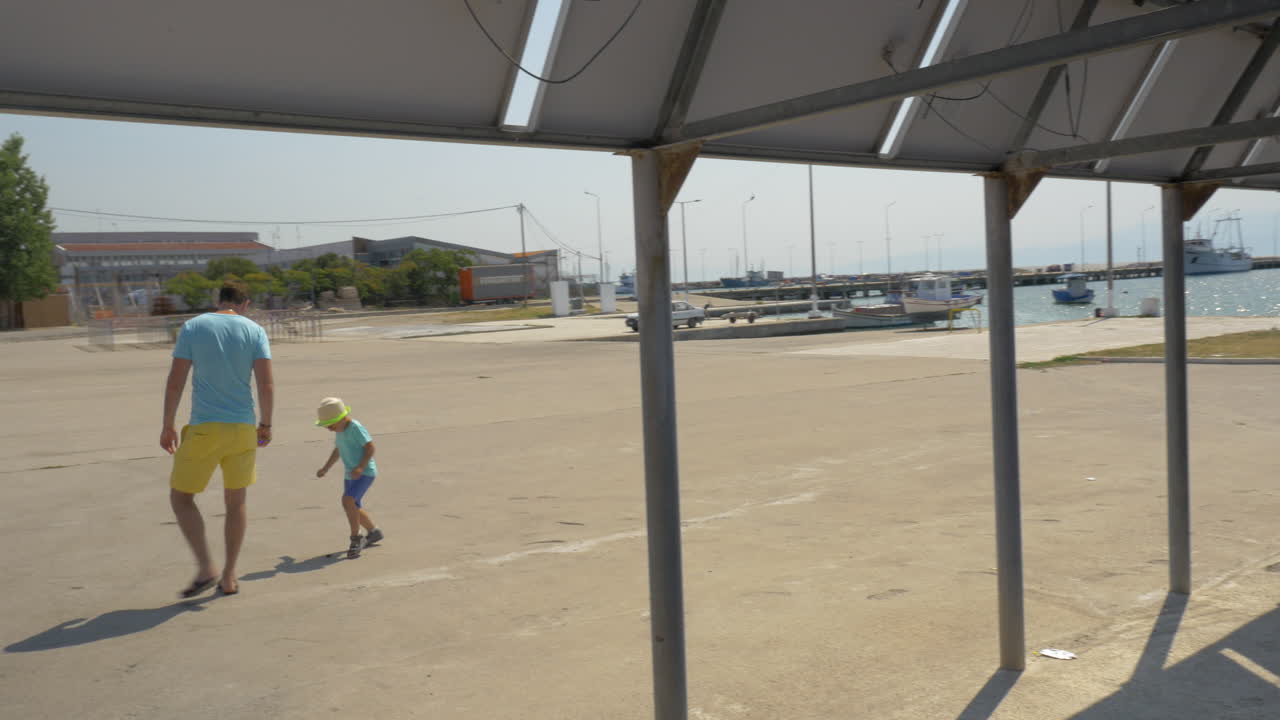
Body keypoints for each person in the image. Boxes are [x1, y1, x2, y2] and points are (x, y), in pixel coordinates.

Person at [161, 280, 273, 598]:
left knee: (181, 498)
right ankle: (229, 575)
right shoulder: (254, 331)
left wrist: (168, 425)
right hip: (242, 429)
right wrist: (265, 424)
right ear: (245, 304)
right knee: (236, 503)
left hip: (205, 428)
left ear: (218, 300)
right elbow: (266, 386)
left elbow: (175, 382)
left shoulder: (193, 327)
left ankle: (206, 566)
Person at [314, 397, 384, 559]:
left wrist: (361, 466)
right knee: (353, 506)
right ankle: (374, 532)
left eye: (331, 425)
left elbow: (370, 447)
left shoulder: (355, 428)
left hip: (364, 473)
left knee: (347, 501)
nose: (330, 429)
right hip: (350, 475)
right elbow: (338, 450)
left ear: (342, 418)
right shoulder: (339, 430)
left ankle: (356, 538)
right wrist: (325, 468)